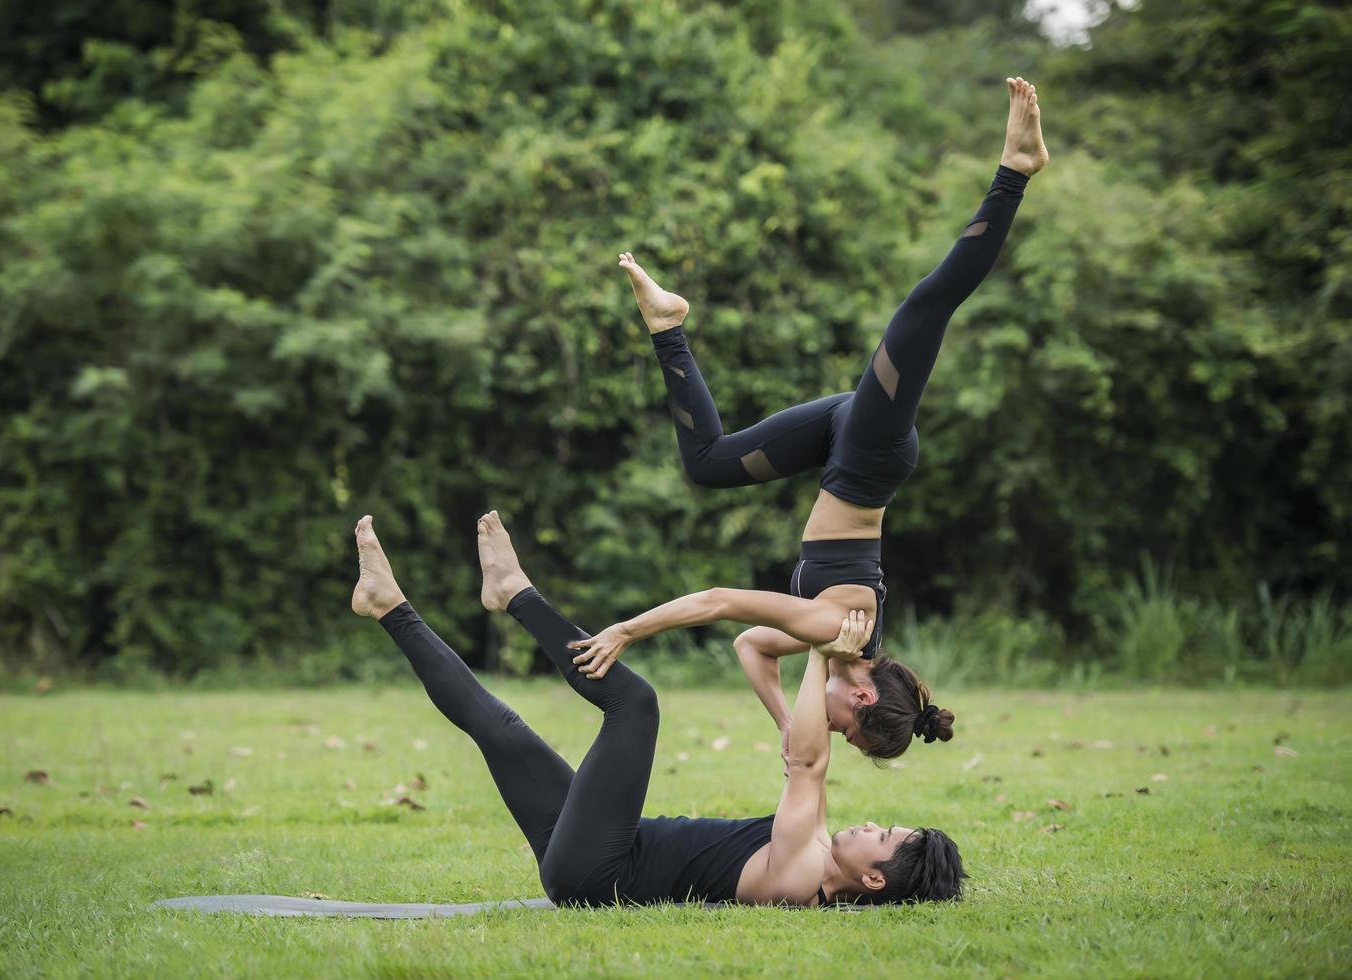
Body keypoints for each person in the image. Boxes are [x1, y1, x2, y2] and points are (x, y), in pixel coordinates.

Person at [568, 77, 1051, 760]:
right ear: (860, 698)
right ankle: (1014, 172)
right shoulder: (831, 623)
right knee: (925, 309)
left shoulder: (827, 640)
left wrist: (785, 726)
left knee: (707, 464)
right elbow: (714, 602)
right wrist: (624, 631)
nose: (821, 723)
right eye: (837, 726)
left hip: (839, 447)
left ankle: (667, 323)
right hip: (868, 455)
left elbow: (748, 646)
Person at [349, 510, 965, 907]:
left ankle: (515, 592)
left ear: (874, 879)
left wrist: (821, 652)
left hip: (599, 869)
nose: (869, 825)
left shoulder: (803, 873)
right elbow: (798, 748)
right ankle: (387, 604)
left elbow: (807, 766)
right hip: (598, 856)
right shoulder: (816, 850)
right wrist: (797, 700)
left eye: (880, 837)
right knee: (501, 728)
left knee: (635, 704)